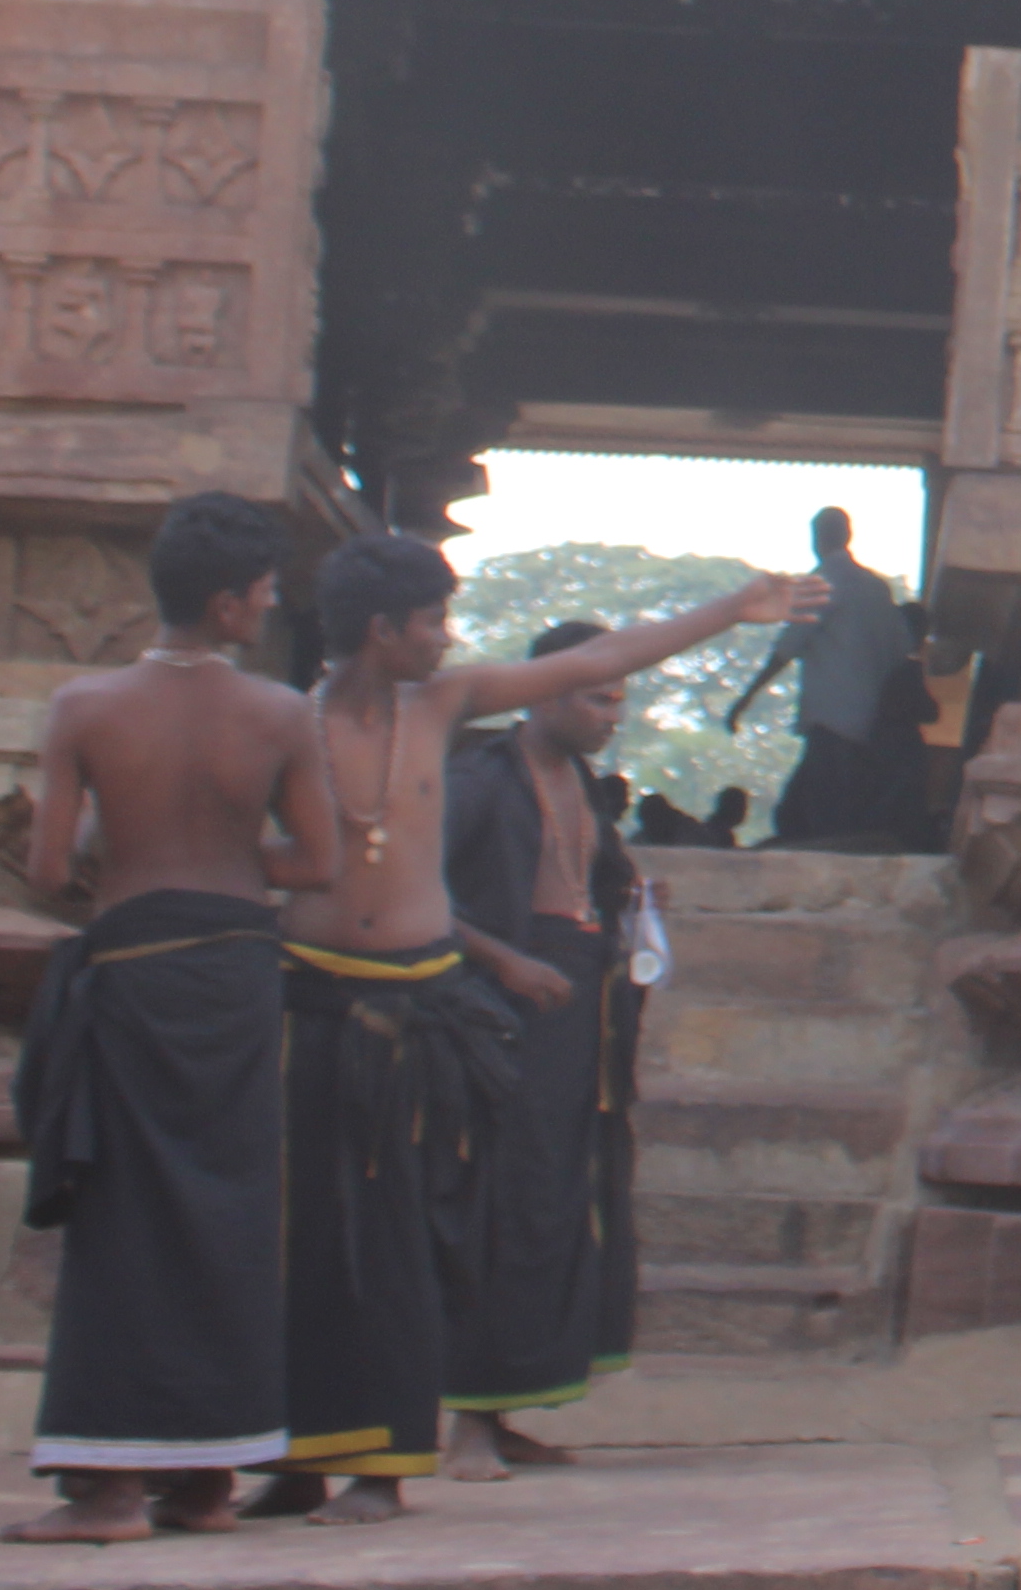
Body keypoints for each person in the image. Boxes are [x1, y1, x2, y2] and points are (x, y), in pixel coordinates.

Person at [270, 532, 811, 1518]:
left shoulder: (438, 705)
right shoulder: (281, 722)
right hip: (310, 996)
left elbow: (595, 659)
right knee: (305, 1234)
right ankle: (298, 1456)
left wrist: (730, 609)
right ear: (383, 629)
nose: (446, 637)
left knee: (404, 1233)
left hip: (423, 1005)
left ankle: (383, 1468)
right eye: (432, 620)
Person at [3, 492, 335, 1544]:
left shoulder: (85, 706)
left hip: (134, 965)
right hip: (237, 972)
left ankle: (106, 1488)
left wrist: (130, 854)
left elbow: (49, 868)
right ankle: (203, 1480)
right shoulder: (282, 712)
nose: (270, 607)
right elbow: (318, 862)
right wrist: (231, 858)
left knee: (124, 1217)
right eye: (267, 592)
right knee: (232, 1211)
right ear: (232, 603)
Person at [441, 623, 650, 1474]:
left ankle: (513, 1402)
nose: (612, 716)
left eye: (618, 700)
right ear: (549, 690)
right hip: (497, 1018)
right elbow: (415, 897)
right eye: (599, 697)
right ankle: (468, 1426)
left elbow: (592, 890)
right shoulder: (475, 780)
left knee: (558, 1200)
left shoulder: (589, 788)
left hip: (576, 1018)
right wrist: (506, 961)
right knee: (496, 1199)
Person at [764, 505, 930, 849]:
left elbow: (788, 646)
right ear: (848, 536)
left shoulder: (821, 583)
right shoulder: (877, 589)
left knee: (824, 809)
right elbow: (899, 650)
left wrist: (747, 696)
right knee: (833, 804)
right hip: (868, 723)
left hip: (830, 718)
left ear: (817, 540)